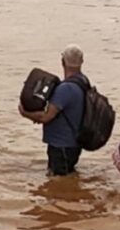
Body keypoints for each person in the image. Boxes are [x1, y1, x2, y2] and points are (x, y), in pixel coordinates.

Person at [18, 45, 89, 176]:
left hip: (61, 145)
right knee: (67, 179)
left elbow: (46, 117)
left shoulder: (65, 89)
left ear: (62, 62)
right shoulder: (83, 81)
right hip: (74, 143)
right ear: (82, 62)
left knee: (58, 179)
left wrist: (25, 113)